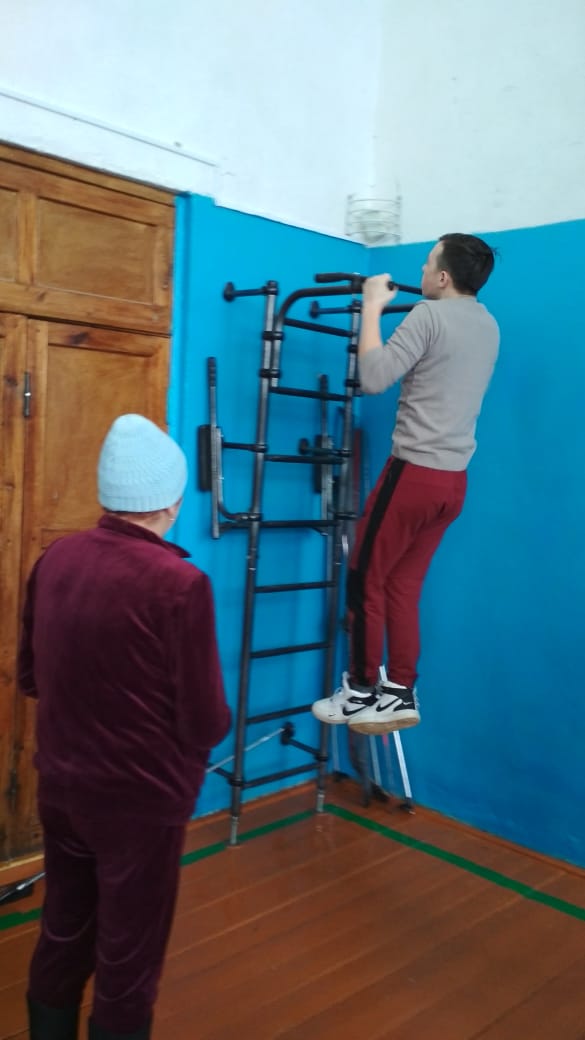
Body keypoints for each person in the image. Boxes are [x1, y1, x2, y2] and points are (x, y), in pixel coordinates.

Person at [18, 414, 231, 1040]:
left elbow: (30, 676)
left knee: (63, 929)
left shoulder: (55, 558)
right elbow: (204, 721)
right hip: (140, 807)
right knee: (128, 957)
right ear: (170, 500)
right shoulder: (180, 584)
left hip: (61, 789)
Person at [312, 233, 500, 736]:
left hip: (412, 475)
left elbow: (373, 378)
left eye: (426, 263)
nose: (420, 271)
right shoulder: (488, 325)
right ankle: (398, 690)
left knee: (363, 577)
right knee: (401, 584)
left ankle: (359, 690)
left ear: (443, 277)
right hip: (451, 485)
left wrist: (372, 307)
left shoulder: (428, 316)